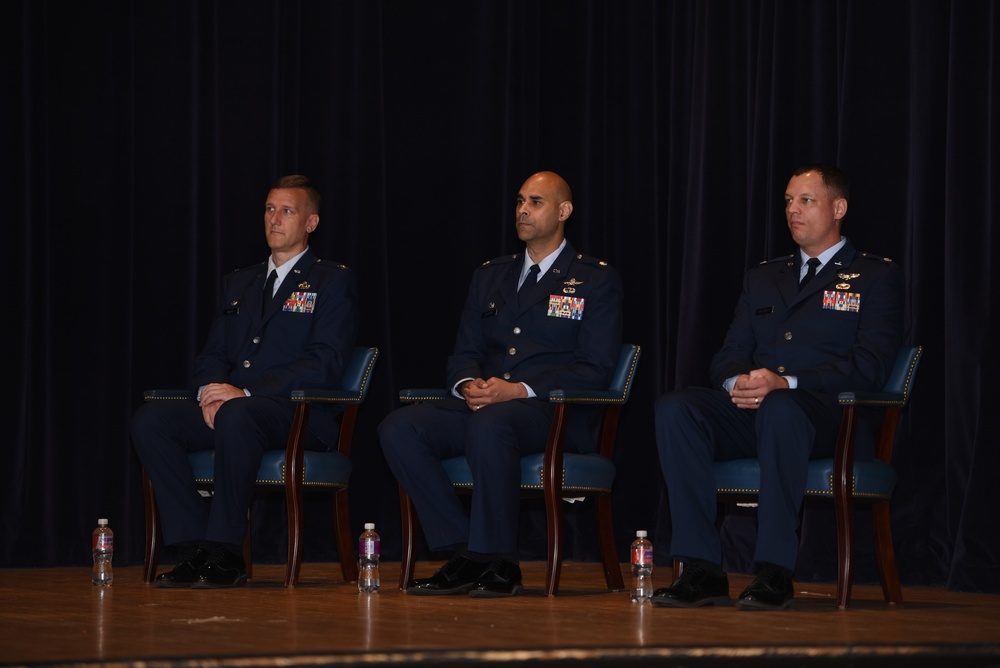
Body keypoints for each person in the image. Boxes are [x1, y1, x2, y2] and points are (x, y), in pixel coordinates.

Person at [651, 164, 904, 611]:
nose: (792, 210)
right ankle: (702, 569)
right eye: (788, 201)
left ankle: (773, 571)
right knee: (677, 408)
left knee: (783, 407)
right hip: (760, 411)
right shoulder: (764, 277)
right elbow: (728, 353)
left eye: (806, 200)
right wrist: (738, 380)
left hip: (829, 418)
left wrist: (786, 382)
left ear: (838, 208)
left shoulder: (873, 276)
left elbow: (871, 367)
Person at [379, 171, 623, 598]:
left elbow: (595, 368)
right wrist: (468, 383)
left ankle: (500, 562)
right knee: (399, 427)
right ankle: (465, 552)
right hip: (488, 406)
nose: (523, 210)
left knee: (491, 425)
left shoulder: (594, 279)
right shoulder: (491, 275)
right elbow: (464, 351)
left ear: (564, 211)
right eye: (519, 201)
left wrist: (518, 389)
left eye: (536, 202)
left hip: (552, 413)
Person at [131, 174, 359, 588]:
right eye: (270, 209)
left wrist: (246, 392)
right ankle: (195, 545)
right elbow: (213, 354)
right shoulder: (240, 282)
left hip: (297, 415)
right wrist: (209, 393)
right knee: (152, 420)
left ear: (311, 223)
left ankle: (226, 553)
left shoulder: (331, 281)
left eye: (287, 211)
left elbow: (325, 362)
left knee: (239, 413)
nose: (275, 219)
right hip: (237, 409)